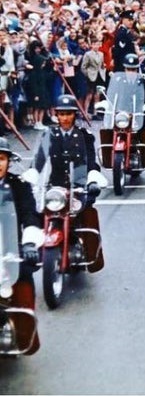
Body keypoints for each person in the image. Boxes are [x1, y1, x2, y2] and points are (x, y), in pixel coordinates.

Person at [30, 94, 106, 273]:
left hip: (78, 187)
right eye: (61, 114)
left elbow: (91, 160)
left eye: (69, 114)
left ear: (75, 115)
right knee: (36, 213)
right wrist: (32, 174)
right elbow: (39, 159)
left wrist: (93, 180)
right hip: (55, 188)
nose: (65, 118)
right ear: (56, 115)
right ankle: (33, 253)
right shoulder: (49, 135)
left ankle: (89, 252)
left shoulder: (84, 135)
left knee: (86, 213)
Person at [0, 138, 42, 354]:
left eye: (1, 158)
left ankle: (25, 331)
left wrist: (29, 243)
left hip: (10, 248)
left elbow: (30, 215)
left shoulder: (19, 186)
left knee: (25, 274)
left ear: (8, 161)